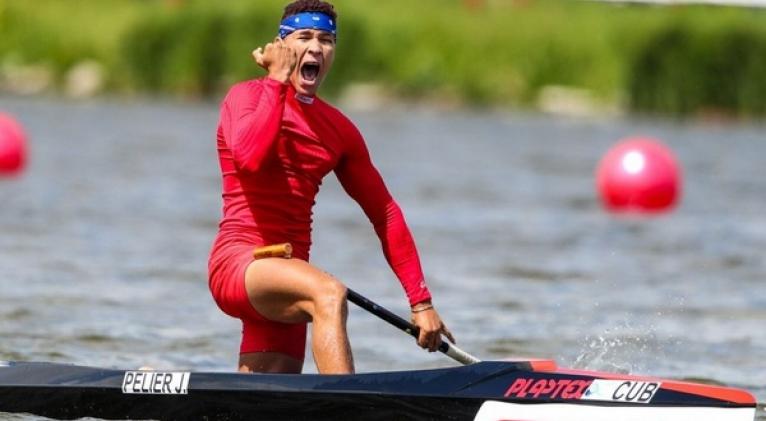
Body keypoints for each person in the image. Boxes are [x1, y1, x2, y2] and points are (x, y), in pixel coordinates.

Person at [208, 0, 454, 375]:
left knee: (267, 399)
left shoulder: (339, 130)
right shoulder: (245, 96)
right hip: (239, 264)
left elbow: (384, 213)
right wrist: (276, 80)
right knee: (329, 293)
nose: (315, 48)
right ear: (281, 46)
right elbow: (250, 159)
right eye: (303, 37)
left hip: (289, 274)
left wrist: (421, 302)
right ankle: (349, 408)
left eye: (326, 40)